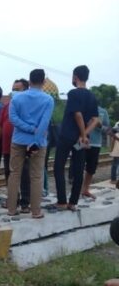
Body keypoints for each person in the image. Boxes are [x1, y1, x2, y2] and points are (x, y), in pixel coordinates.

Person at [7, 69, 54, 218]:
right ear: (44, 82)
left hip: (18, 140)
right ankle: (36, 211)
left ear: (30, 80)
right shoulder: (48, 100)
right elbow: (44, 123)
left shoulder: (17, 99)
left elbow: (13, 119)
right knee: (36, 176)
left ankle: (11, 209)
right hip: (38, 142)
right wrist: (35, 139)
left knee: (14, 174)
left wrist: (28, 128)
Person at [53, 65, 99, 211]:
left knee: (58, 167)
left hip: (67, 135)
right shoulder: (92, 96)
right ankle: (73, 202)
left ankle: (61, 201)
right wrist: (84, 135)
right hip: (81, 140)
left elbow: (77, 114)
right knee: (79, 169)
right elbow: (96, 120)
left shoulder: (73, 93)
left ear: (75, 77)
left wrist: (83, 134)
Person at [0, 79, 31, 212]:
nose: (14, 92)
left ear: (26, 90)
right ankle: (12, 200)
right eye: (13, 89)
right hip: (7, 146)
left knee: (25, 174)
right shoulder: (6, 106)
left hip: (23, 146)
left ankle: (25, 202)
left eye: (17, 89)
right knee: (9, 174)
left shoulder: (28, 107)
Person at [80, 106, 110, 199]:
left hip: (96, 143)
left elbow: (107, 128)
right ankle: (77, 190)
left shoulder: (103, 111)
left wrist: (99, 125)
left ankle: (85, 190)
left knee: (91, 168)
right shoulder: (82, 109)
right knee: (77, 167)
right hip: (81, 142)